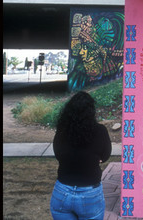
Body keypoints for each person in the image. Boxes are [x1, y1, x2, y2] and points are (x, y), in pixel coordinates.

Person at [50, 91, 111, 219]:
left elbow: (58, 154)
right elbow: (105, 156)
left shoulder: (62, 130)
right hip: (90, 194)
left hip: (62, 192)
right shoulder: (100, 130)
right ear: (91, 111)